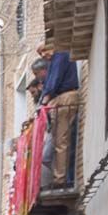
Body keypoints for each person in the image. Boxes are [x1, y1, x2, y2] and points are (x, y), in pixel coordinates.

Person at [37, 45, 80, 189]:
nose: (43, 56)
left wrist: (44, 101)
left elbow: (53, 82)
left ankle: (60, 179)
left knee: (61, 141)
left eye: (43, 51)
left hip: (65, 99)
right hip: (61, 99)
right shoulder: (56, 59)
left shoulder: (60, 55)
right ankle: (61, 177)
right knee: (59, 141)